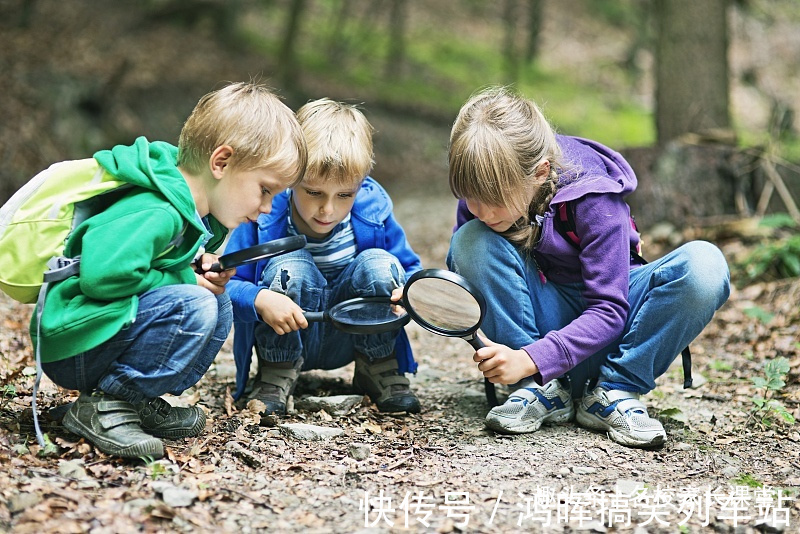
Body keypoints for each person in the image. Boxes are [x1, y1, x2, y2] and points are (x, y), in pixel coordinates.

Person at [34, 82, 307, 459]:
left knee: (217, 302)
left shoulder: (188, 212)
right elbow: (103, 276)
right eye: (265, 189)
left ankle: (133, 400)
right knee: (195, 304)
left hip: (100, 334)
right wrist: (184, 279)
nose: (266, 207)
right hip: (75, 343)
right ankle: (104, 405)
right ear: (221, 162)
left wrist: (195, 267)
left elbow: (155, 268)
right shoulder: (157, 209)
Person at [446, 86, 730, 448]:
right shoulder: (482, 204)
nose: (481, 211)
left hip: (612, 336)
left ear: (540, 172)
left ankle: (614, 392)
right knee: (470, 239)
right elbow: (473, 280)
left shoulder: (594, 199)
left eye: (494, 201)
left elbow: (610, 310)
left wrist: (531, 358)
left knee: (705, 265)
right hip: (536, 340)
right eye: (470, 197)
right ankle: (538, 392)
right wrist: (429, 297)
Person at [227, 98, 423, 417]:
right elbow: (227, 286)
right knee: (291, 264)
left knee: (379, 263)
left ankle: (377, 365)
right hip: (288, 332)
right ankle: (277, 371)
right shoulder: (264, 217)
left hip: (351, 334)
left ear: (360, 185)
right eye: (314, 192)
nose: (328, 209)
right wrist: (260, 298)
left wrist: (409, 292)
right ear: (291, 179)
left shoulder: (373, 213)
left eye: (344, 195)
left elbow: (412, 270)